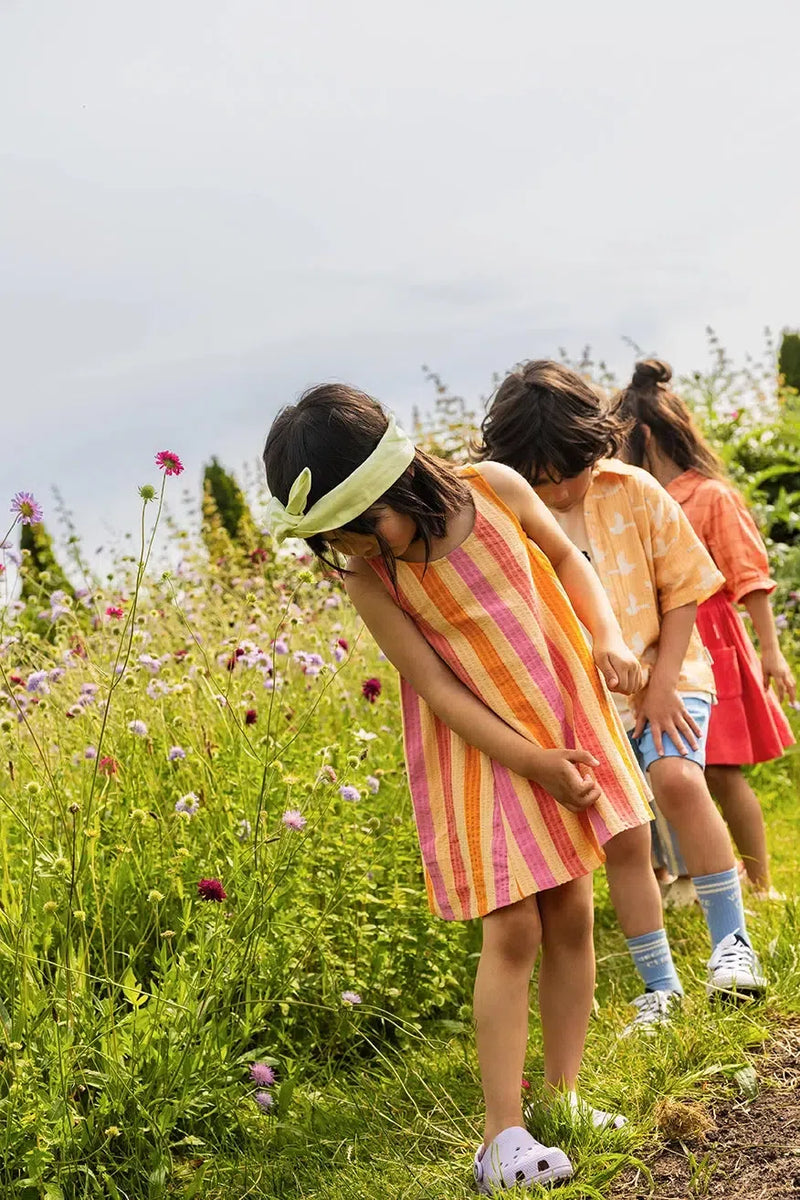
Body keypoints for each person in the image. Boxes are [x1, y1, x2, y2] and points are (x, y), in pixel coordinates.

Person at [263, 384, 654, 1192]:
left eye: (362, 531)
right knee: (513, 928)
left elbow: (568, 562)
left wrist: (608, 636)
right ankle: (500, 1135)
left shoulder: (499, 490)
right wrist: (533, 761)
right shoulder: (375, 582)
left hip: (560, 722)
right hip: (483, 754)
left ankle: (565, 1097)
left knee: (574, 913)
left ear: (394, 489)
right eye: (338, 543)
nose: (360, 551)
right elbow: (439, 693)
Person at [476, 360, 766, 1031]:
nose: (554, 493)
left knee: (679, 781)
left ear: (594, 446)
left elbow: (685, 589)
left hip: (669, 675)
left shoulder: (634, 490)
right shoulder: (510, 517)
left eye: (564, 476)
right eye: (538, 482)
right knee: (627, 840)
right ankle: (659, 987)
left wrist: (662, 686)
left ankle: (732, 943)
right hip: (588, 706)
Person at [617, 359, 795, 900]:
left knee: (722, 771)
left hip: (715, 640)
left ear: (644, 435)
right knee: (676, 771)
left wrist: (772, 651)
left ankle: (761, 886)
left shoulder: (711, 496)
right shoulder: (636, 500)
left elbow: (750, 578)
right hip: (666, 643)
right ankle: (700, 877)